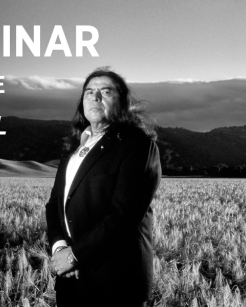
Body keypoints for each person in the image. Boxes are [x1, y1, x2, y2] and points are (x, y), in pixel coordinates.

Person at [46, 67, 161, 306]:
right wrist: (60, 249)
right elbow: (54, 205)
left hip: (114, 278)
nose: (95, 97)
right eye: (89, 92)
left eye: (105, 92)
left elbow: (123, 216)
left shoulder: (137, 145)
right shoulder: (74, 150)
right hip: (72, 276)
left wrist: (75, 255)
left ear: (123, 102)